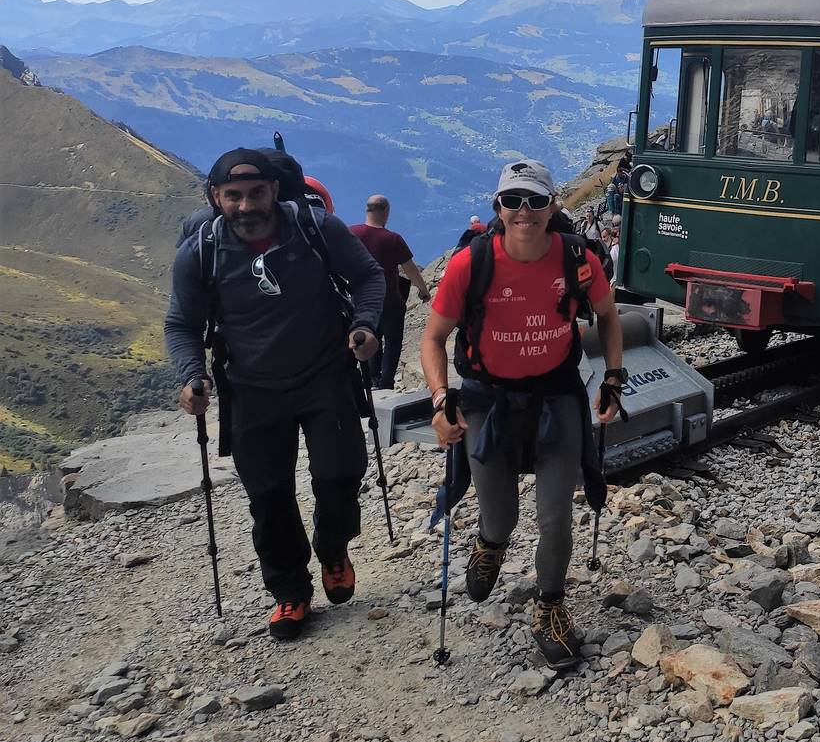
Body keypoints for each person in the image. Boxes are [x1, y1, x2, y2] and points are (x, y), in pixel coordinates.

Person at [166, 149, 384, 640]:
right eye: (234, 196)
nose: (247, 206)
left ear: (274, 192)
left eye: (257, 193)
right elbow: (182, 323)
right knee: (267, 496)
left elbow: (368, 276)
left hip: (326, 374)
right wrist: (189, 375)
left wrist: (367, 325)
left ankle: (332, 549)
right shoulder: (200, 250)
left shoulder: (314, 227)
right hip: (250, 388)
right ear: (216, 199)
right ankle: (290, 592)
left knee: (340, 473)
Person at [421, 160, 626, 669]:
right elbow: (432, 337)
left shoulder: (578, 261)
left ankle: (550, 606)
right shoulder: (472, 264)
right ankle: (489, 543)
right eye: (512, 201)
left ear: (554, 206)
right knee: (503, 516)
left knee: (555, 518)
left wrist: (614, 380)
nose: (524, 211)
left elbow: (607, 316)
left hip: (555, 397)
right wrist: (440, 399)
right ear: (498, 208)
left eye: (535, 201)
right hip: (487, 400)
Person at [350, 195, 432, 390]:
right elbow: (410, 269)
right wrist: (423, 290)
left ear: (367, 210)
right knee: (393, 341)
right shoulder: (393, 238)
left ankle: (371, 379)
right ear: (386, 211)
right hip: (390, 297)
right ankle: (386, 382)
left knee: (370, 336)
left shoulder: (351, 233)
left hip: (361, 298)